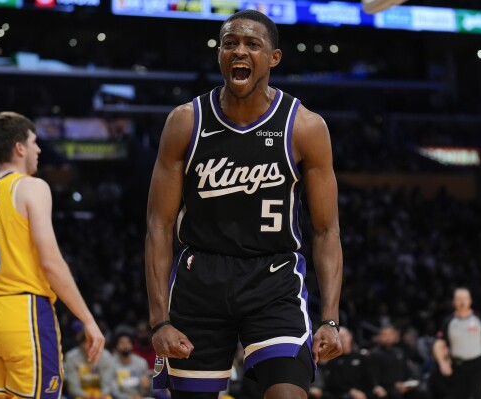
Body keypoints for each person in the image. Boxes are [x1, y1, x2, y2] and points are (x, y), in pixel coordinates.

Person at [145, 9, 343, 399]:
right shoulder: (186, 121)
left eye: (253, 44)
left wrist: (331, 318)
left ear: (273, 58)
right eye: (230, 43)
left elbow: (326, 228)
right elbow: (158, 224)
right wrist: (158, 321)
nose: (239, 51)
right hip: (199, 279)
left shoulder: (304, 126)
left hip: (273, 278)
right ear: (219, 54)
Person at [0, 111, 105, 399]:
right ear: (19, 147)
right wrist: (87, 318)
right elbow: (50, 261)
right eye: (34, 142)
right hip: (21, 313)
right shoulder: (31, 187)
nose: (38, 150)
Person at [431, 287, 481, 399]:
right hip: (458, 366)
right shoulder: (448, 321)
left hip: (478, 365)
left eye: (465, 298)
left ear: (470, 301)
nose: (462, 301)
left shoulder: (479, 318)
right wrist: (443, 363)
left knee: (478, 395)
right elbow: (439, 344)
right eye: (459, 299)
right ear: (453, 302)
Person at [323, 327, 372, 399]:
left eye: (345, 336)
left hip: (363, 392)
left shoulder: (362, 357)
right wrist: (350, 391)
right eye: (339, 337)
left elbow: (369, 377)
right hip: (343, 393)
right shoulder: (332, 360)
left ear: (350, 336)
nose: (342, 339)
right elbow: (333, 382)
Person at [64, 331, 116, 399]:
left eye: (94, 342)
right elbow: (73, 386)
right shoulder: (71, 357)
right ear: (81, 344)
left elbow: (107, 383)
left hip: (100, 393)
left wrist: (102, 395)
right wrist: (86, 396)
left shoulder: (106, 356)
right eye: (87, 342)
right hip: (80, 394)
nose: (91, 345)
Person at [111, 333, 152, 399]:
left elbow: (147, 391)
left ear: (132, 345)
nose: (125, 345)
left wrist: (145, 386)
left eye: (128, 342)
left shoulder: (141, 362)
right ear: (116, 346)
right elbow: (113, 390)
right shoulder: (111, 364)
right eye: (122, 343)